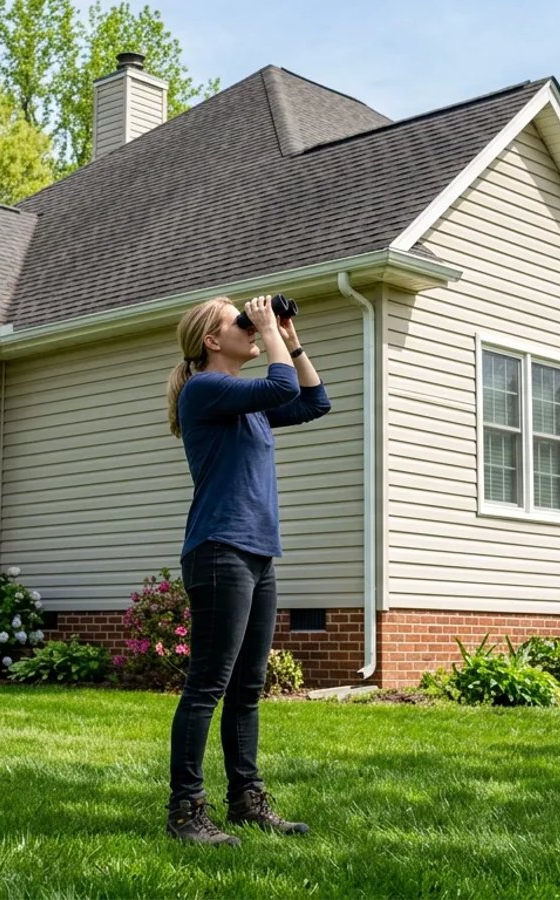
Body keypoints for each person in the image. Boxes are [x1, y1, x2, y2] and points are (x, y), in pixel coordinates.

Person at [161, 294, 331, 846]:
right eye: (240, 322)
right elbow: (283, 386)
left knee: (247, 688)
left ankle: (246, 801)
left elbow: (312, 401)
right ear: (213, 341)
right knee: (207, 684)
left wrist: (288, 335)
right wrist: (270, 333)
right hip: (219, 549)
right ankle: (186, 812)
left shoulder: (245, 403)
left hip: (256, 553)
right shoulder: (207, 388)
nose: (251, 328)